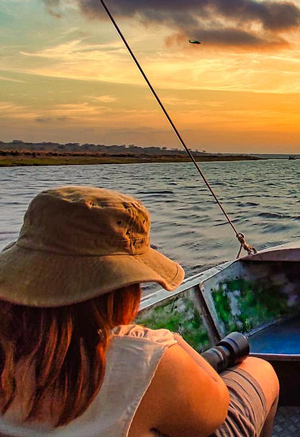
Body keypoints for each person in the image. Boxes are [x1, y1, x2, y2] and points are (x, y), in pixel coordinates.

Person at [0, 186, 279, 437]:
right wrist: (174, 343)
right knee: (260, 370)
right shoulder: (145, 357)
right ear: (124, 288)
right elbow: (216, 411)